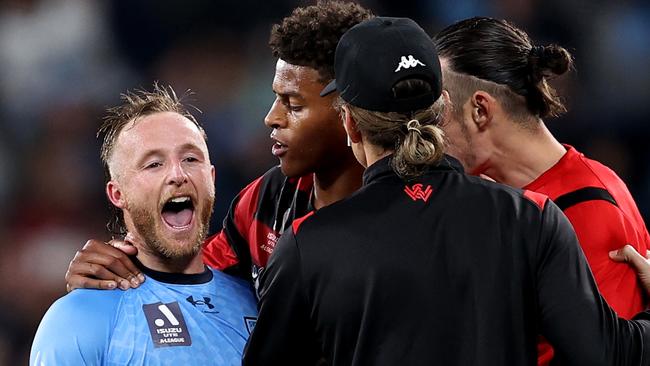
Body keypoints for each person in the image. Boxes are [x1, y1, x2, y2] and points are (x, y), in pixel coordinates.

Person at [242, 17, 650, 366]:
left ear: (349, 122)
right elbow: (608, 352)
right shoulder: (532, 219)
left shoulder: (307, 242)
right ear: (441, 107)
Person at [63, 0, 372, 292]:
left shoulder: (413, 210)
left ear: (348, 108)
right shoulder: (264, 202)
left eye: (293, 105)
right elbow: (201, 272)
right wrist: (121, 269)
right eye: (276, 98)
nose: (271, 118)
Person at [432, 17, 650, 364]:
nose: (430, 130)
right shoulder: (494, 197)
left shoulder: (590, 211)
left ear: (480, 110)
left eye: (438, 112)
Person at [30, 85, 258, 365]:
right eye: (153, 164)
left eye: (190, 159)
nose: (178, 174)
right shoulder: (79, 318)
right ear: (118, 194)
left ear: (211, 177)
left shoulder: (256, 299)